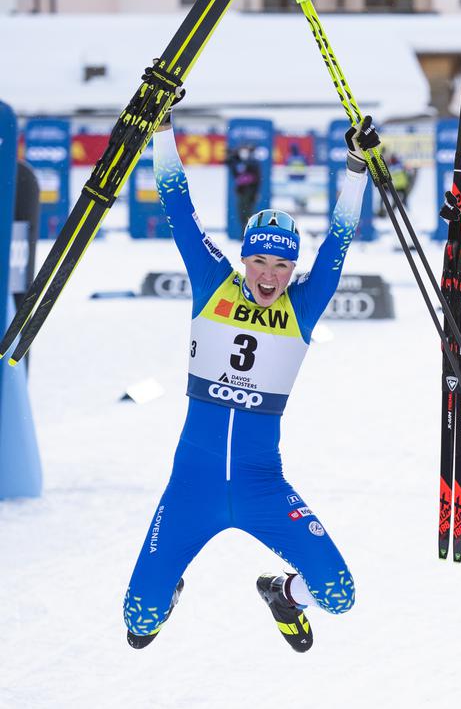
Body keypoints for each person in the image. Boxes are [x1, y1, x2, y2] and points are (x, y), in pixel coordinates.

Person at [122, 100, 379, 652]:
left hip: (265, 486)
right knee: (138, 621)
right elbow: (179, 208)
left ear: (293, 269)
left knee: (338, 594)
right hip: (192, 485)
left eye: (283, 265)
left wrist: (356, 171)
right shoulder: (212, 284)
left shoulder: (304, 307)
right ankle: (166, 591)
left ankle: (285, 596)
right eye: (261, 262)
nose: (270, 275)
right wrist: (162, 129)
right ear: (244, 259)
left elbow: (338, 242)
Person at [228, 144, 263, 227]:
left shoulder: (253, 162)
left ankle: (248, 230)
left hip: (249, 190)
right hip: (242, 190)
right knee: (241, 212)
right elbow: (235, 170)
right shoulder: (238, 162)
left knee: (248, 212)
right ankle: (244, 230)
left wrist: (255, 192)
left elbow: (257, 178)